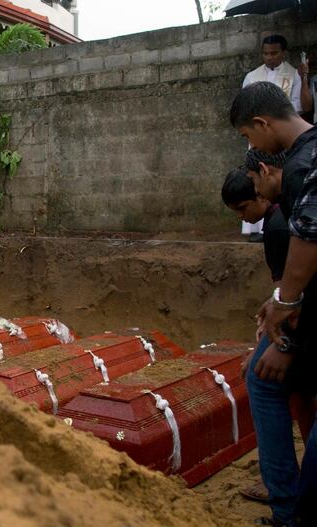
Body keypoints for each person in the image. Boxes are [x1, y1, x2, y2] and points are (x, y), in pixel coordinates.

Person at [230, 81, 317, 527]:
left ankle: (291, 510)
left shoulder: (304, 166)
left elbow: (310, 244)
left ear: (263, 124)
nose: (251, 145)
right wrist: (280, 300)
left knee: (263, 379)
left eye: (248, 136)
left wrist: (286, 329)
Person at [241, 35, 306, 238]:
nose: (269, 57)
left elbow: (297, 107)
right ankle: (255, 227)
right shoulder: (252, 76)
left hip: (280, 139)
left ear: (283, 52)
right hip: (258, 136)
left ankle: (278, 223)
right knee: (257, 178)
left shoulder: (293, 74)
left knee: (277, 178)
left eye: (274, 53)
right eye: (265, 53)